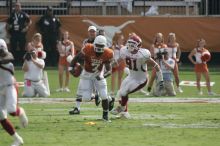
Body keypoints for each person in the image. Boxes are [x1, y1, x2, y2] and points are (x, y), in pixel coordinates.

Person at [111, 33, 163, 118]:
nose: (130, 46)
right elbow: (119, 60)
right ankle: (125, 114)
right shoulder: (124, 50)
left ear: (138, 46)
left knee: (124, 92)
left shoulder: (143, 54)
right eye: (130, 43)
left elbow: (156, 66)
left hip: (141, 80)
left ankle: (122, 108)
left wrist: (161, 80)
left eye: (133, 44)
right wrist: (111, 64)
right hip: (131, 76)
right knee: (120, 93)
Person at [69, 35, 114, 121]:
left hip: (98, 73)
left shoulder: (108, 53)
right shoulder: (88, 48)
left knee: (104, 95)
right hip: (87, 74)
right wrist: (71, 67)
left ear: (104, 46)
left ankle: (105, 116)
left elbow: (109, 70)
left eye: (101, 46)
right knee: (86, 98)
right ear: (94, 44)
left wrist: (103, 76)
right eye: (98, 45)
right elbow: (77, 57)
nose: (99, 47)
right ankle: (96, 94)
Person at [0, 39, 28, 146]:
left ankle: (20, 112)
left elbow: (8, 56)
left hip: (9, 86)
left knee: (12, 111)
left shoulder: (7, 61)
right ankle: (17, 139)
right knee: (1, 117)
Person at [110, 33, 126, 97]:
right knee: (113, 77)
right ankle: (112, 91)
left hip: (121, 63)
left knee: (120, 77)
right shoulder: (113, 47)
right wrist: (113, 62)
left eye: (122, 39)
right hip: (115, 63)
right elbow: (112, 55)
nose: (122, 40)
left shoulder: (124, 47)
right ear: (117, 40)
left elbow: (124, 56)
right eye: (121, 39)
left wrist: (125, 63)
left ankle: (119, 90)